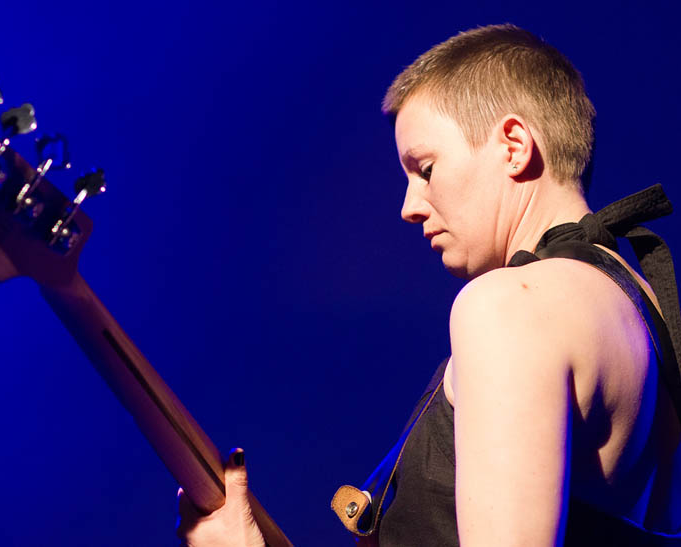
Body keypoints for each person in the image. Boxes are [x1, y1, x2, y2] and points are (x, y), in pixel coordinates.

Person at [176, 24, 681, 546]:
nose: (409, 206)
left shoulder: (508, 306)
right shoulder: (642, 306)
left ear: (513, 146)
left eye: (425, 168)